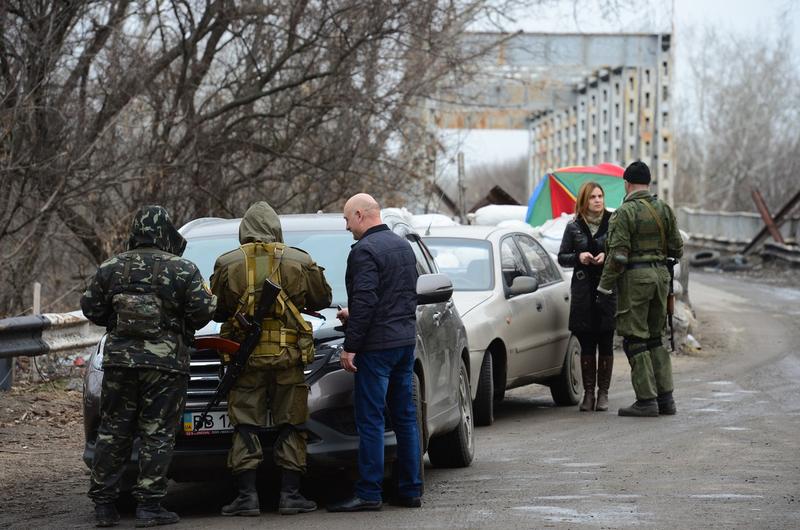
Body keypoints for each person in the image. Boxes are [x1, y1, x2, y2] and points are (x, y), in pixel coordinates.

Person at [81, 205, 216, 528]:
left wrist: (118, 322)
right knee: (158, 433)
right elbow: (203, 312)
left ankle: (104, 506)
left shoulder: (111, 267)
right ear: (165, 232)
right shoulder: (182, 269)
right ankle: (149, 506)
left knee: (113, 431)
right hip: (165, 365)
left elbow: (91, 309)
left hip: (119, 363)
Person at [211, 201, 332, 517]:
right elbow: (323, 298)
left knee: (245, 424)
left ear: (244, 230)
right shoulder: (299, 260)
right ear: (277, 228)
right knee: (291, 423)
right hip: (288, 358)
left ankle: (247, 497)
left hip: (245, 359)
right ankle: (290, 496)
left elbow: (218, 310)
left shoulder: (227, 262)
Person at [327, 193, 422, 512]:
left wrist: (350, 346)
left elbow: (367, 300)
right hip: (404, 343)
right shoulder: (402, 246)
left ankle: (369, 492)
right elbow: (398, 296)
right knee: (405, 418)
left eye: (346, 219)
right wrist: (355, 313)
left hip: (377, 348)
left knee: (370, 421)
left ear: (359, 215)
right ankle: (410, 490)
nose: (346, 226)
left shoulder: (364, 251)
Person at [597, 161, 683, 417]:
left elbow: (618, 256)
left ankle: (646, 400)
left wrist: (604, 287)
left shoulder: (624, 213)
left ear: (627, 183)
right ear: (648, 182)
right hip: (661, 278)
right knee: (656, 337)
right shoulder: (664, 208)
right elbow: (677, 248)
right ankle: (666, 399)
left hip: (635, 281)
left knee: (635, 339)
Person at [558, 182, 616, 412]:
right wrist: (579, 257)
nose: (598, 200)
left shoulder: (613, 221)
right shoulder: (574, 226)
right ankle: (589, 393)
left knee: (606, 340)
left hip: (607, 290)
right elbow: (562, 257)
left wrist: (607, 256)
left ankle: (603, 393)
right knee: (587, 342)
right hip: (583, 291)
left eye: (600, 196)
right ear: (584, 200)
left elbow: (623, 250)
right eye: (592, 197)